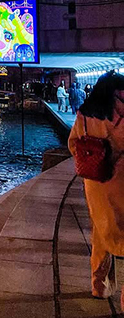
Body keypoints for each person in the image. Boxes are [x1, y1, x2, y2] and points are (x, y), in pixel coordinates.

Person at [68, 72, 124, 301]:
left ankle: (100, 286)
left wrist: (93, 160)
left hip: (95, 184)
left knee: (101, 232)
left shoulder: (85, 114)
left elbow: (73, 144)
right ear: (114, 92)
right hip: (121, 180)